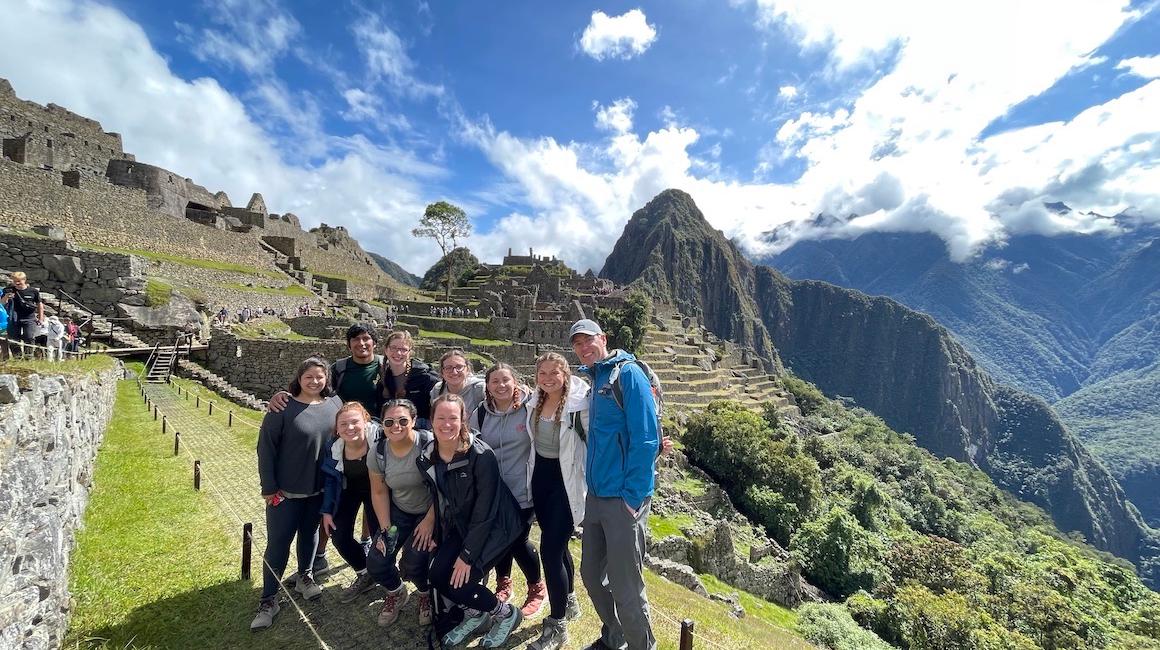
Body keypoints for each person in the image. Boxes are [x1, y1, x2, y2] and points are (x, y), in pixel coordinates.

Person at [268, 323, 384, 573]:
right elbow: (313, 385)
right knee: (335, 495)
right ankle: (319, 554)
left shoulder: (385, 367)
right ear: (348, 344)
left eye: (366, 339)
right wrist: (282, 395)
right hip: (343, 442)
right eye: (356, 340)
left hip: (375, 442)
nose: (361, 344)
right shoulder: (339, 369)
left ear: (374, 342)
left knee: (373, 497)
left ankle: (366, 546)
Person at [571, 319, 659, 650]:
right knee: (592, 576)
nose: (583, 347)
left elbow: (646, 438)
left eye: (588, 341)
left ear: (603, 339)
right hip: (597, 496)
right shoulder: (596, 380)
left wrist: (633, 498)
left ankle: (641, 645)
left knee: (626, 586)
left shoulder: (628, 374)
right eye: (577, 344)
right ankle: (615, 634)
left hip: (623, 500)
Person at [420, 394, 524, 648]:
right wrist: (436, 530)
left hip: (497, 527)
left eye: (453, 418)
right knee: (437, 574)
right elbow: (441, 497)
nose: (447, 424)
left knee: (460, 582)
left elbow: (485, 510)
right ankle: (476, 613)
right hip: (463, 525)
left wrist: (466, 556)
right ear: (431, 421)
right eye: (440, 418)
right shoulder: (429, 454)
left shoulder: (480, 454)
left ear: (463, 419)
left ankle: (506, 614)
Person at [251, 357, 341, 631]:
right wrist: (269, 487)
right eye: (309, 377)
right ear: (299, 378)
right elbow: (265, 449)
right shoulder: (282, 407)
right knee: (278, 543)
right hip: (285, 492)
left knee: (310, 534)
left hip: (318, 489)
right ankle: (269, 599)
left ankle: (305, 576)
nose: (315, 382)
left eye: (320, 377)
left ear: (327, 379)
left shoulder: (334, 405)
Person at [469, 364, 546, 619]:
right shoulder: (480, 413)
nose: (500, 386)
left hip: (522, 488)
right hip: (492, 490)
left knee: (517, 540)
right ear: (487, 386)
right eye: (494, 381)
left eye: (505, 380)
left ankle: (537, 588)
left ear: (515, 382)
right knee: (498, 537)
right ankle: (504, 584)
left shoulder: (529, 408)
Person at [525, 352, 590, 649]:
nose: (548, 378)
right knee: (559, 546)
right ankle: (571, 599)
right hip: (541, 479)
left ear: (565, 374)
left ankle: (557, 625)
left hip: (567, 484)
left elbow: (600, 436)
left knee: (549, 553)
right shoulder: (534, 401)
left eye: (554, 373)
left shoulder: (579, 406)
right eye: (543, 373)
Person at [365, 399, 437, 627]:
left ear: (414, 421)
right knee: (377, 560)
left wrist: (430, 520)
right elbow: (378, 491)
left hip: (430, 511)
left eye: (403, 420)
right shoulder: (378, 452)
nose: (396, 426)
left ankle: (425, 594)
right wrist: (386, 528)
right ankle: (396, 592)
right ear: (382, 424)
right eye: (389, 421)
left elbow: (444, 489)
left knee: (415, 561)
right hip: (400, 513)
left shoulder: (429, 445)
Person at [319, 402, 383, 604]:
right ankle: (365, 572)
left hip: (378, 491)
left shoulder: (380, 440)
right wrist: (327, 512)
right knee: (338, 535)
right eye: (343, 424)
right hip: (349, 490)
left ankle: (386, 575)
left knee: (380, 537)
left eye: (355, 422)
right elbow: (330, 480)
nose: (350, 428)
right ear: (337, 429)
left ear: (365, 421)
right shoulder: (335, 448)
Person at [377, 331, 438, 429]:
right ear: (386, 350)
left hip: (422, 430)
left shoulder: (424, 376)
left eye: (403, 349)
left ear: (409, 352)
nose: (398, 353)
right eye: (393, 348)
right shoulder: (383, 378)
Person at [1, 272, 43, 357]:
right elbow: (2, 303)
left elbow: (40, 305)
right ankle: (17, 357)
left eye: (19, 281)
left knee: (29, 337)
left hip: (29, 318)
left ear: (24, 280)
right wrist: (6, 296)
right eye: (14, 281)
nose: (16, 283)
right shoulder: (8, 290)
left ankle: (29, 356)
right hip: (13, 318)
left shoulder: (33, 291)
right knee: (13, 338)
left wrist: (41, 318)